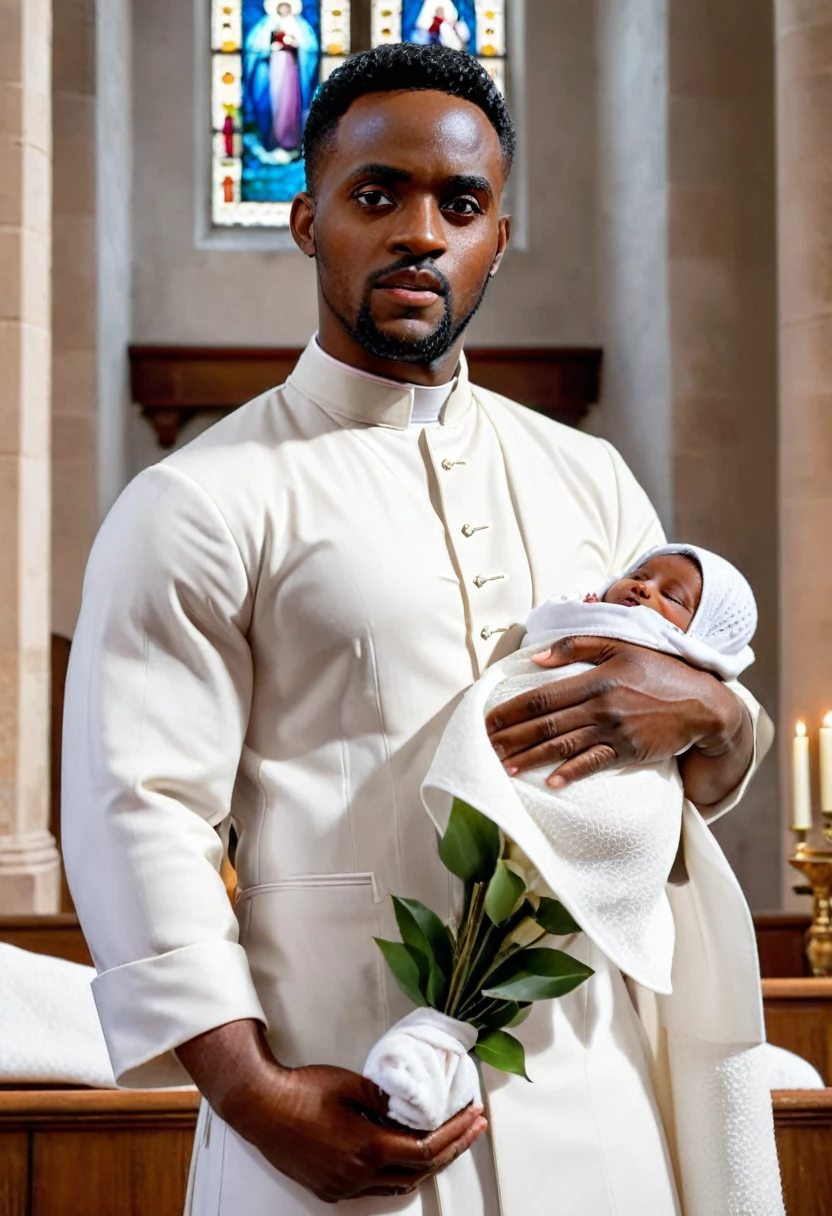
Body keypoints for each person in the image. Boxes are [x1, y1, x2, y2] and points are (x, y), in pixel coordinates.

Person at [62, 44, 772, 1216]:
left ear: (497, 233)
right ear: (306, 221)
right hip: (333, 1099)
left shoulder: (593, 480)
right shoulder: (198, 499)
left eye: (460, 203)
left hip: (598, 1096)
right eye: (376, 194)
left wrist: (716, 712)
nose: (419, 233)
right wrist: (250, 1093)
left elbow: (678, 755)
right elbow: (138, 812)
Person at [415, 544, 785, 1214]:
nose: (643, 591)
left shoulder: (601, 475)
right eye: (639, 577)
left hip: (587, 1018)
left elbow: (720, 708)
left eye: (671, 595)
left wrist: (716, 709)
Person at [244, 0, 318, 155]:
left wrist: (294, 45)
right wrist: (271, 48)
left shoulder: (299, 26)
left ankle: (290, 140)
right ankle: (271, 138)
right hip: (274, 69)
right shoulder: (266, 26)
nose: (284, 11)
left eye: (286, 8)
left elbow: (309, 48)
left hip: (291, 70)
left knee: (289, 103)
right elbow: (255, 49)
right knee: (274, 102)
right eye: (281, 8)